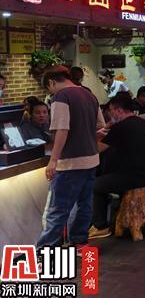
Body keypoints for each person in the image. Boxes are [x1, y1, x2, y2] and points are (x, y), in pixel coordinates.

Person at [37, 66, 105, 252]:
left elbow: (62, 129)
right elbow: (101, 126)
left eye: (49, 88)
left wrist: (53, 160)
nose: (51, 92)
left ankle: (46, 251)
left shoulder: (61, 97)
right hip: (91, 159)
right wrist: (85, 135)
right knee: (85, 205)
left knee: (58, 209)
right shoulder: (89, 95)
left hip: (70, 162)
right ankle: (80, 242)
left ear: (51, 82)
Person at [89, 94, 145, 239]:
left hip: (135, 177)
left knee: (94, 185)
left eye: (111, 111)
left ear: (119, 110)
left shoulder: (121, 127)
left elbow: (97, 149)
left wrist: (91, 138)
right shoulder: (140, 122)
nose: (110, 115)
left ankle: (100, 226)